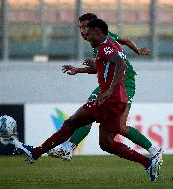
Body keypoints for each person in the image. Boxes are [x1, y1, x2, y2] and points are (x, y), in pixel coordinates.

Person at [14, 19, 162, 182]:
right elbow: (106, 66)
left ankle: (36, 153)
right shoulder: (108, 46)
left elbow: (121, 65)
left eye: (89, 33)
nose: (86, 36)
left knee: (72, 123)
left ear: (98, 32)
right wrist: (78, 70)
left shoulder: (106, 46)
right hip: (117, 101)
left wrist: (109, 90)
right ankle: (148, 163)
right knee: (106, 144)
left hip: (109, 100)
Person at [47, 13, 162, 162]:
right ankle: (68, 148)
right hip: (110, 84)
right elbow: (121, 45)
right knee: (88, 113)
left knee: (120, 126)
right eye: (80, 27)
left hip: (124, 83)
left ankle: (154, 150)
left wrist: (138, 51)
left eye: (84, 27)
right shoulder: (99, 41)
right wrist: (77, 69)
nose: (82, 31)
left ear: (93, 28)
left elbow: (119, 60)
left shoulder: (104, 41)